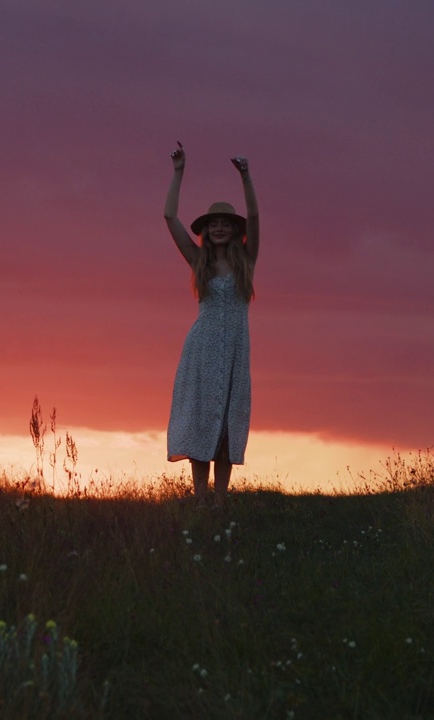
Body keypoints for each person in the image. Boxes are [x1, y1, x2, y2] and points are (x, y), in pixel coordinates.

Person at [163, 143, 260, 507]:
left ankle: (221, 500)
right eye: (213, 224)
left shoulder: (246, 262)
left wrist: (246, 176)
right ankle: (200, 499)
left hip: (235, 348)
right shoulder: (198, 261)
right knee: (202, 417)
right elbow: (170, 218)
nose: (219, 229)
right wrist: (178, 172)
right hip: (202, 349)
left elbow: (254, 215)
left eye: (225, 224)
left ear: (235, 231)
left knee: (227, 419)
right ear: (207, 231)